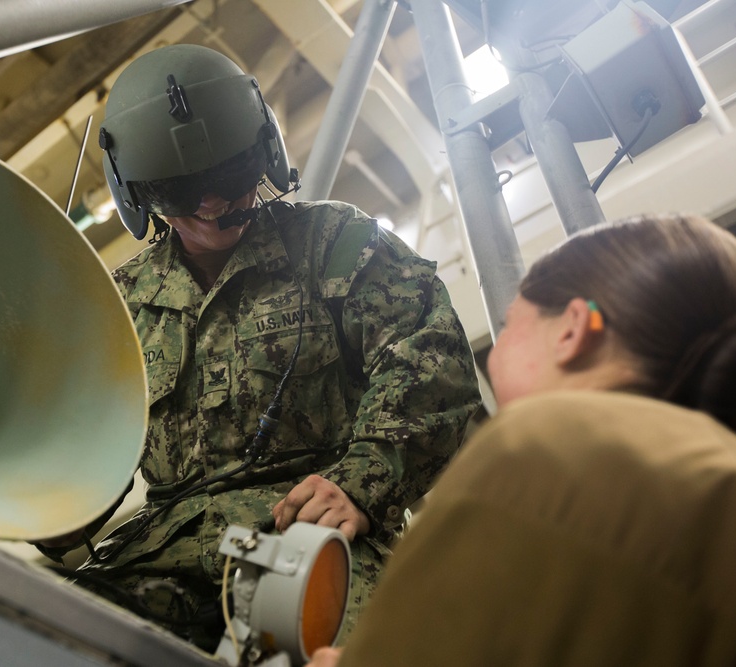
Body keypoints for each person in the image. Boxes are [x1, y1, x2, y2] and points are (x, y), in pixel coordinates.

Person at [33, 43, 482, 652]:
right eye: (186, 192)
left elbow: (431, 362)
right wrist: (42, 498)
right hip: (155, 557)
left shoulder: (335, 242)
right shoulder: (117, 306)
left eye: (229, 176)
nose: (214, 203)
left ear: (263, 152)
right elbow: (78, 464)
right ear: (141, 193)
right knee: (38, 635)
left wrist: (362, 481)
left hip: (315, 534)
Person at [307, 212, 736, 667]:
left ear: (572, 328)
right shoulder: (730, 487)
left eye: (509, 321)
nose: (497, 349)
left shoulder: (545, 450)